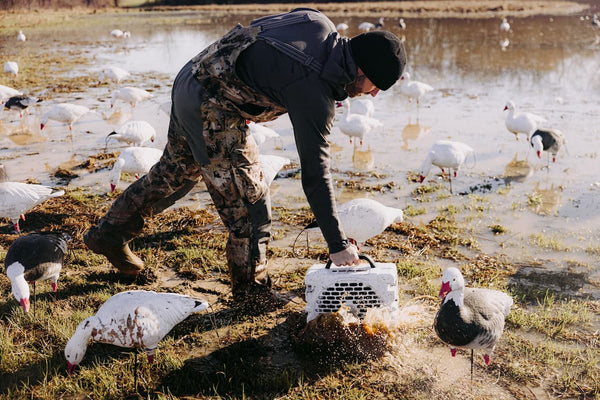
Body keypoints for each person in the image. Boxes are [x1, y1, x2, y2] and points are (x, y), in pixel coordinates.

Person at [84, 8, 406, 305]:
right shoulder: (315, 93)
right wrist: (337, 245)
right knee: (251, 208)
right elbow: (315, 174)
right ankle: (250, 296)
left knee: (173, 175)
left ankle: (110, 233)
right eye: (376, 85)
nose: (374, 93)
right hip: (213, 106)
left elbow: (264, 49)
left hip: (191, 77)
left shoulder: (317, 21)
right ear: (361, 70)